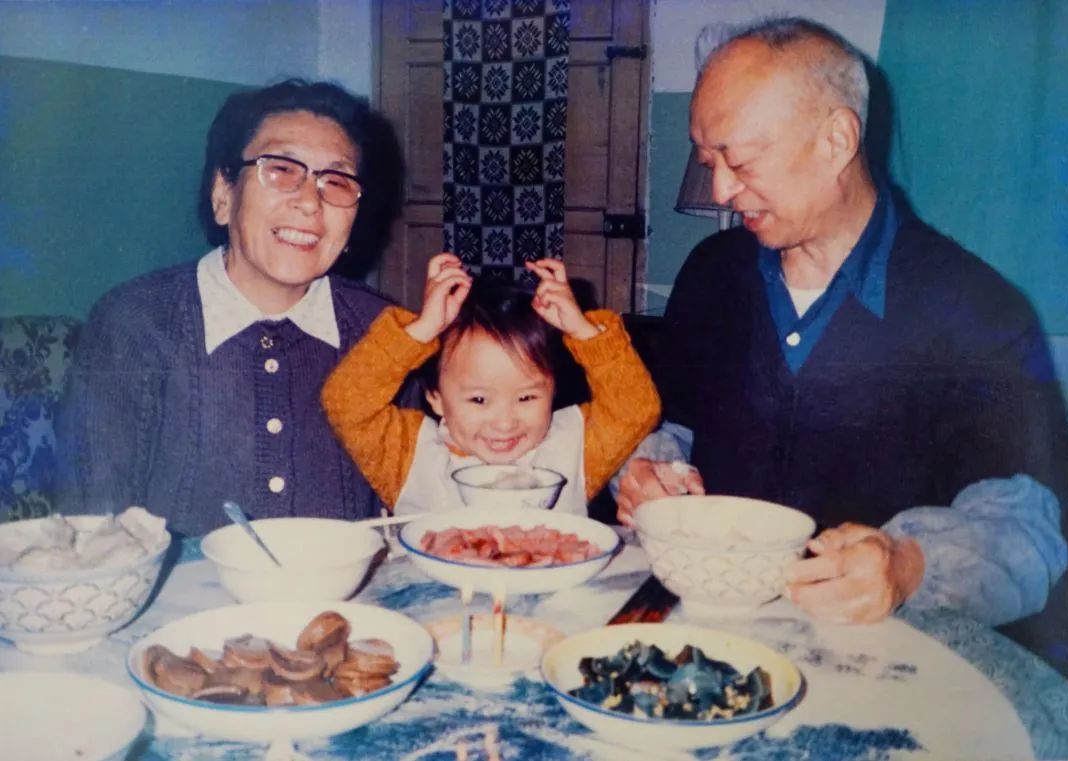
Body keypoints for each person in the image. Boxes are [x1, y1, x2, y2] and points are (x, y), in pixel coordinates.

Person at [616, 17, 1068, 634]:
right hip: (711, 632)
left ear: (837, 139)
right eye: (708, 161)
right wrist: (647, 474)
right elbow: (667, 425)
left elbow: (1030, 532)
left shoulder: (976, 309)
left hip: (887, 652)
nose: (721, 190)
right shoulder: (712, 275)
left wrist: (909, 567)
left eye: (740, 161)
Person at [57, 79, 403, 537]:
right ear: (224, 193)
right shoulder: (134, 323)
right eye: (281, 169)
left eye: (335, 181)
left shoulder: (388, 333)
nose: (309, 202)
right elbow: (90, 534)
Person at [321, 254, 660, 515]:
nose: (505, 422)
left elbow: (636, 409)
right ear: (435, 396)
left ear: (552, 389)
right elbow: (345, 402)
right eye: (479, 400)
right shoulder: (406, 455)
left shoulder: (575, 447)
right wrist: (421, 330)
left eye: (527, 397)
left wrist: (584, 332)